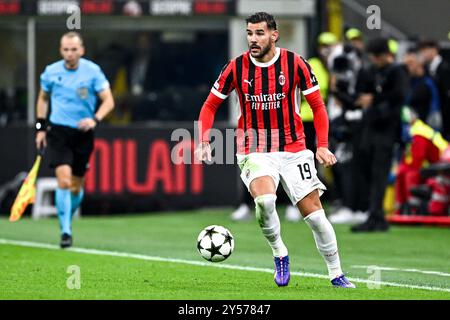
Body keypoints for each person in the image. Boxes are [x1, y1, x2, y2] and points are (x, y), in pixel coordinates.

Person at [195, 12, 355, 288]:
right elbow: (210, 105)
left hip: (293, 147)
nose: (253, 39)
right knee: (266, 201)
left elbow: (318, 106)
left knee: (316, 217)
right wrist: (203, 141)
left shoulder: (296, 64)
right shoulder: (236, 67)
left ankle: (336, 273)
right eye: (249, 33)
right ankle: (280, 253)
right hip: (254, 147)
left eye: (259, 33)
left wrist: (323, 146)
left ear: (273, 35)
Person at [35, 32, 114, 248]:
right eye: (65, 50)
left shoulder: (92, 71)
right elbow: (42, 99)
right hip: (58, 132)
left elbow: (109, 101)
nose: (69, 54)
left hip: (83, 134)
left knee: (76, 188)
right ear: (61, 50)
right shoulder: (51, 72)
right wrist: (40, 128)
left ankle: (66, 217)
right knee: (64, 180)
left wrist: (95, 119)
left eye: (73, 49)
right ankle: (65, 232)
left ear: (82, 50)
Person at [350, 38, 409, 232]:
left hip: (387, 128)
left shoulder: (397, 72)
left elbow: (399, 96)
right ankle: (374, 215)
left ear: (385, 55)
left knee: (379, 173)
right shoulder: (371, 71)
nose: (374, 60)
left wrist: (373, 98)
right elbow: (360, 92)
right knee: (366, 169)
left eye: (376, 57)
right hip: (369, 126)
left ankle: (376, 216)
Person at [417, 39, 450, 140]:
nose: (423, 54)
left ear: (434, 50)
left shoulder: (445, 68)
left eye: (425, 50)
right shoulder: (426, 69)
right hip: (432, 112)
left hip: (445, 113)